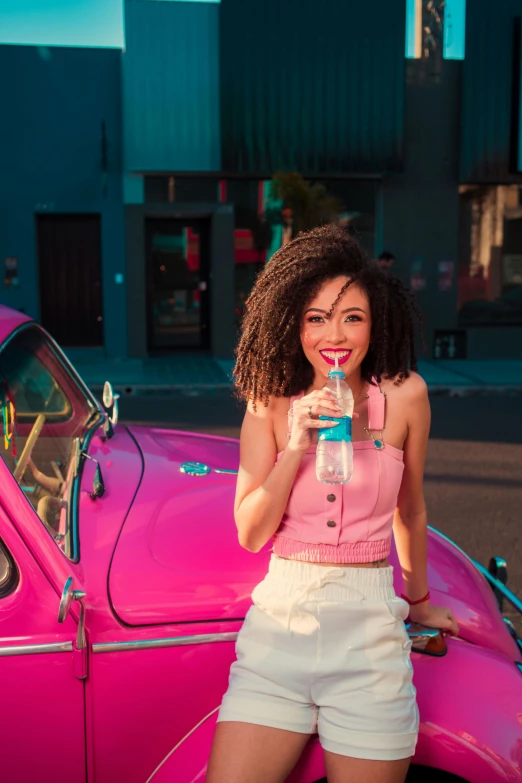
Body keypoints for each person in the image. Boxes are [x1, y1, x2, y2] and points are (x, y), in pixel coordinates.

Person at [206, 224, 458, 783]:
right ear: (293, 323)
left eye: (352, 316)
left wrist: (417, 602)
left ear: (376, 321)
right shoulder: (268, 401)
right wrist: (295, 444)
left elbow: (410, 510)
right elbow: (250, 532)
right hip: (277, 635)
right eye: (316, 318)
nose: (333, 335)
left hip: (370, 640)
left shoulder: (407, 395)